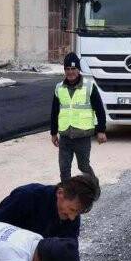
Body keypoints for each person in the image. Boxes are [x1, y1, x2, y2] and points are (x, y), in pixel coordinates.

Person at [51, 53, 107, 182]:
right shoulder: (59, 88)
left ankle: (94, 186)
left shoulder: (89, 86)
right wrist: (53, 133)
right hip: (65, 136)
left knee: (83, 166)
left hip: (82, 137)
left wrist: (101, 131)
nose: (70, 72)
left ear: (78, 70)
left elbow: (99, 109)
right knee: (64, 169)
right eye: (67, 69)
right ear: (64, 70)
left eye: (73, 69)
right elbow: (54, 111)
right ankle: (67, 197)